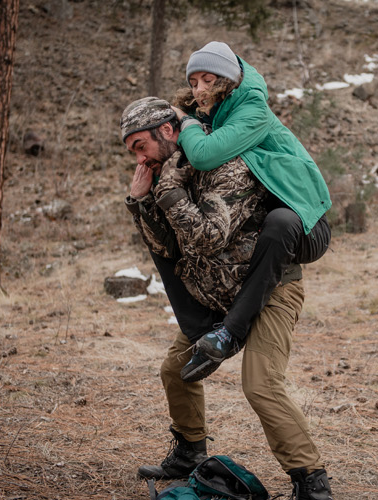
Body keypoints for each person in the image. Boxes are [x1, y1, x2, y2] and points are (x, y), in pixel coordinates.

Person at [120, 96, 333, 500]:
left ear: (167, 132)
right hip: (216, 296)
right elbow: (167, 246)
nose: (139, 158)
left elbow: (207, 236)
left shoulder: (224, 162)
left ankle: (312, 482)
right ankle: (188, 452)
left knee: (260, 384)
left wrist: (167, 193)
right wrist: (143, 201)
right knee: (174, 369)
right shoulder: (169, 173)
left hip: (268, 291)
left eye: (140, 147)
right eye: (133, 152)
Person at [169, 41, 332, 383]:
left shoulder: (252, 110)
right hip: (269, 228)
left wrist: (186, 126)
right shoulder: (216, 115)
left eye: (207, 79)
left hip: (307, 224)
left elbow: (202, 154)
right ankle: (205, 334)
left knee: (280, 221)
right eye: (193, 81)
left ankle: (230, 333)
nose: (199, 88)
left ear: (228, 79)